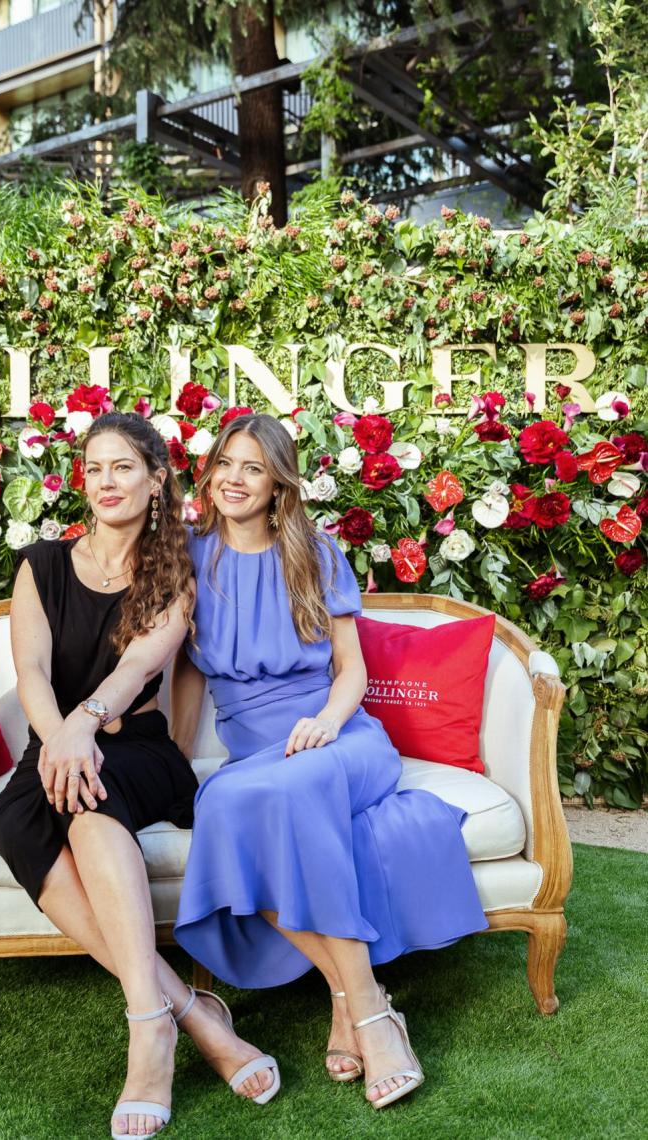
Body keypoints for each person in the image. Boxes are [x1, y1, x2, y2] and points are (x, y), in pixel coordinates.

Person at [172, 413, 487, 1110]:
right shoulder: (188, 559)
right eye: (225, 463)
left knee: (279, 796)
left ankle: (364, 1013)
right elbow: (188, 670)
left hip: (340, 738)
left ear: (277, 484)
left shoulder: (314, 553)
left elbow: (351, 669)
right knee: (224, 800)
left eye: (253, 468)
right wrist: (174, 752)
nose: (234, 479)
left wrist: (326, 722)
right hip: (257, 757)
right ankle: (359, 1001)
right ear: (209, 471)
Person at [0, 412, 279, 1140]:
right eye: (93, 468)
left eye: (122, 467)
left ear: (156, 480)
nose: (105, 482)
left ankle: (147, 1030)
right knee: (16, 820)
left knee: (91, 802)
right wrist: (59, 740)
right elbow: (30, 672)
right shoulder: (41, 564)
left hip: (138, 749)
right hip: (57, 743)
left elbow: (139, 666)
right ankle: (189, 1012)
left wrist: (83, 727)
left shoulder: (175, 569)